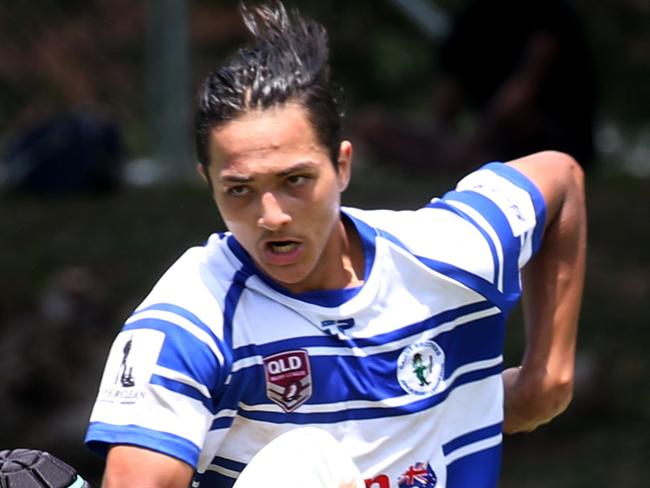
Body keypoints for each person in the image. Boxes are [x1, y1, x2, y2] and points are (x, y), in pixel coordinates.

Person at [84, 2, 587, 487]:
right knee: (302, 465)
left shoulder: (445, 255)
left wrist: (545, 380)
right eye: (239, 190)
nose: (272, 216)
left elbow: (558, 177)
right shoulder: (189, 320)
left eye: (296, 180)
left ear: (342, 165)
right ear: (208, 182)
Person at [353, 0, 596, 173]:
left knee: (519, 129)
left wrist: (474, 143)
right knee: (373, 122)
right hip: (484, 145)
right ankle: (458, 163)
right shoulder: (469, 23)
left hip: (547, 140)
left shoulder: (550, 14)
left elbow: (522, 92)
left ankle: (469, 163)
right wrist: (439, 138)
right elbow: (448, 96)